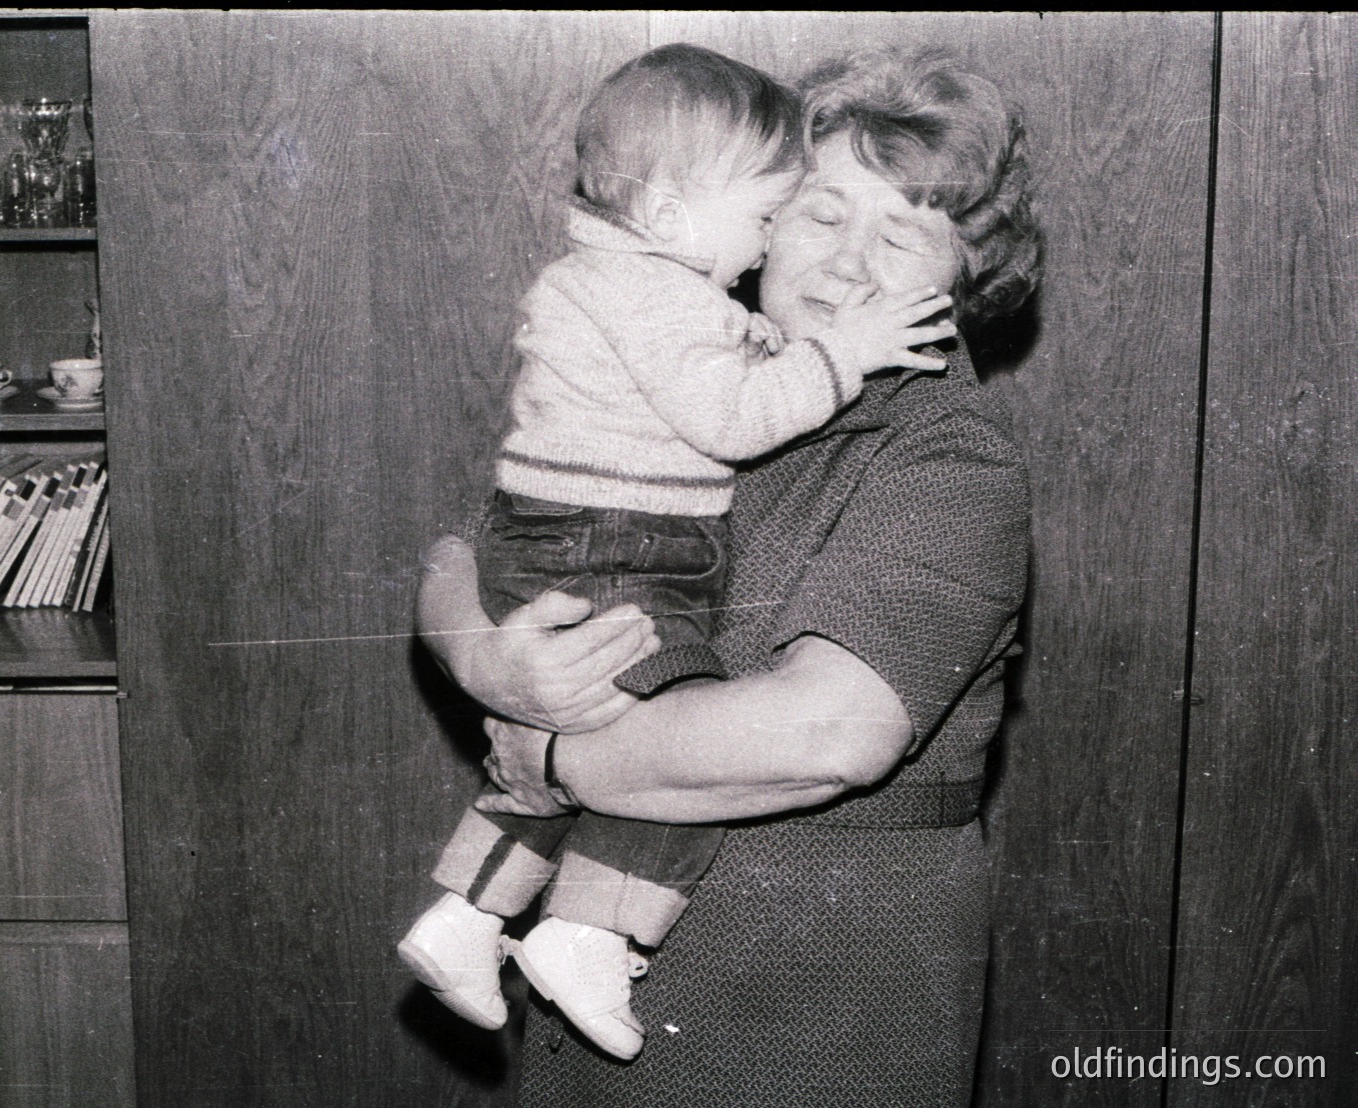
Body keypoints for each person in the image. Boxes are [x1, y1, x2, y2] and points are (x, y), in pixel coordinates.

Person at [414, 42, 1041, 1106]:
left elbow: (825, 733)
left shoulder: (947, 457)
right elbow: (463, 556)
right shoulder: (695, 376)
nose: (847, 265)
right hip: (587, 988)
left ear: (966, 273)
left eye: (902, 232)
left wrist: (555, 753)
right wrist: (492, 661)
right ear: (755, 223)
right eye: (822, 213)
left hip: (803, 1001)